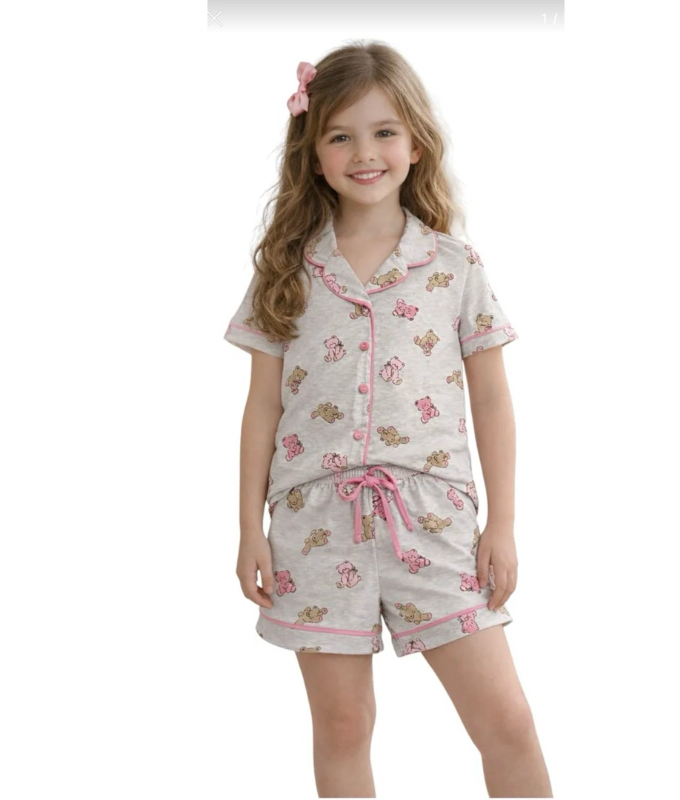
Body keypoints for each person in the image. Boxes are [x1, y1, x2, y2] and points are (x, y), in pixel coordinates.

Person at [223, 41, 553, 799]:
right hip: (314, 523)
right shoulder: (286, 269)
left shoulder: (453, 265)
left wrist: (502, 524)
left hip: (433, 520)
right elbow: (262, 406)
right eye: (340, 136)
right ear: (313, 154)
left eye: (383, 132)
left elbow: (493, 399)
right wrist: (248, 528)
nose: (364, 153)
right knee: (343, 727)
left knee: (505, 721)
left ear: (416, 144)